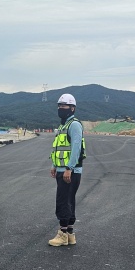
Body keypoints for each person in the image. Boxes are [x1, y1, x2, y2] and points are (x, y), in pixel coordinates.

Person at [48, 93, 86, 247]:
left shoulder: (74, 125)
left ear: (72, 108)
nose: (60, 108)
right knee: (68, 200)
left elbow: (76, 148)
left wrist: (69, 168)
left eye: (63, 106)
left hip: (70, 171)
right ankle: (70, 234)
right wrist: (54, 165)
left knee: (63, 201)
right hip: (62, 169)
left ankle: (62, 234)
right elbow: (59, 148)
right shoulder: (63, 126)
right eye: (59, 106)